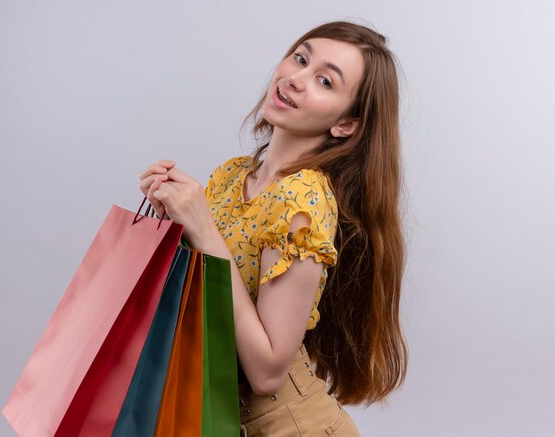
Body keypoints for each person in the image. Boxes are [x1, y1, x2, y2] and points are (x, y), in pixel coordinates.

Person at [138, 20, 408, 436]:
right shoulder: (232, 177)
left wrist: (202, 227)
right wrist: (172, 214)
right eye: (300, 58)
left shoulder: (303, 201)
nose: (296, 79)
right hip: (217, 416)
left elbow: (266, 372)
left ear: (346, 124)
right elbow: (204, 294)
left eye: (324, 81)